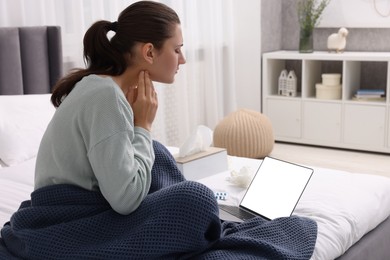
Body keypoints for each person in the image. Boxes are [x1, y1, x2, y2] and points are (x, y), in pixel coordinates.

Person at [34, 0, 186, 215]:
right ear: (149, 52)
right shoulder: (106, 96)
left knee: (158, 153)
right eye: (177, 50)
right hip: (68, 217)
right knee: (196, 199)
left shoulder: (102, 87)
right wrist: (143, 125)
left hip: (79, 207)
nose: (183, 60)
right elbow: (126, 200)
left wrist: (136, 126)